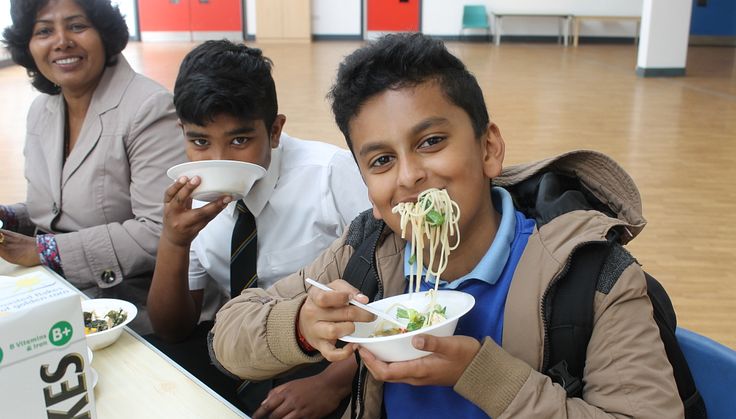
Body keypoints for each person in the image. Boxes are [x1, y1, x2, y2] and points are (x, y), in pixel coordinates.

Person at [209, 33, 684, 418]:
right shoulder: (369, 250)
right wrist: (301, 326)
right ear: (368, 190)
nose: (410, 175)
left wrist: (480, 374)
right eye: (381, 160)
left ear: (489, 148)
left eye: (432, 141)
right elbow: (226, 337)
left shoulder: (593, 274)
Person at [145, 40, 370, 417]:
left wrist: (332, 384)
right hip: (239, 348)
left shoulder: (331, 175)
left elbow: (393, 285)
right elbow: (174, 328)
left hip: (331, 353)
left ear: (276, 130)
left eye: (239, 140)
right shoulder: (191, 193)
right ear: (182, 132)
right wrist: (174, 242)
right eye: (199, 141)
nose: (218, 160)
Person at [0, 0, 185, 333]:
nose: (61, 41)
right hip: (55, 289)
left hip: (127, 303)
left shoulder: (149, 107)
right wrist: (10, 216)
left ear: (104, 34)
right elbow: (62, 207)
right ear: (27, 45)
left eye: (77, 26)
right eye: (44, 30)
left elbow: (159, 230)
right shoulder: (41, 109)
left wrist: (44, 251)